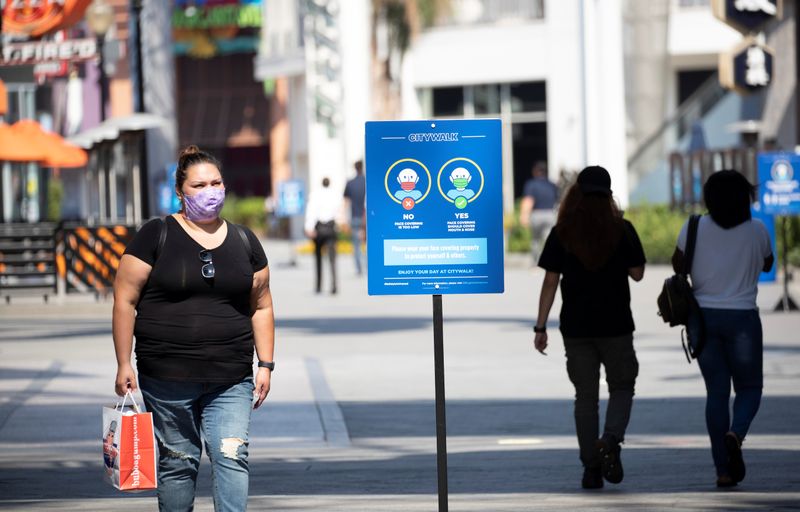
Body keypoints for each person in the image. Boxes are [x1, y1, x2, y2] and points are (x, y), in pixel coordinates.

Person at [112, 145, 275, 511]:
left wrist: (266, 363)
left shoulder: (245, 241)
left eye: (216, 183)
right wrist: (124, 362)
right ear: (180, 191)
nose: (210, 191)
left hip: (231, 377)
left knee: (232, 456)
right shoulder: (156, 235)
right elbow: (125, 300)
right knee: (178, 462)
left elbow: (261, 304)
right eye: (199, 185)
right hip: (166, 376)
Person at [532, 165, 646, 490]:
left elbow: (550, 281)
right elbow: (637, 273)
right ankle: (610, 439)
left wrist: (540, 326)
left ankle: (591, 469)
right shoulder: (622, 229)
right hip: (617, 326)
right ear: (609, 194)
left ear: (577, 195)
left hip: (577, 328)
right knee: (622, 387)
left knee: (585, 397)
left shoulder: (563, 232)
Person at [672, 170, 773, 488]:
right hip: (743, 318)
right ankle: (736, 433)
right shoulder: (757, 230)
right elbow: (768, 264)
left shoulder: (693, 227)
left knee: (716, 392)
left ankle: (723, 470)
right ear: (746, 198)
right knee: (750, 388)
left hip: (703, 319)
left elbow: (678, 265)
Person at [305, 176, 341, 294]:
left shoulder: (315, 195)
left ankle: (319, 285)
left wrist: (309, 227)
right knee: (332, 259)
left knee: (318, 258)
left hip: (319, 228)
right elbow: (338, 211)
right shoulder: (335, 195)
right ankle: (334, 284)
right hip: (331, 228)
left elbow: (311, 211)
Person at [520, 161, 559, 265]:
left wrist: (524, 216)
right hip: (550, 214)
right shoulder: (552, 185)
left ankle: (535, 263)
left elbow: (528, 201)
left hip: (536, 215)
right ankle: (550, 263)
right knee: (548, 240)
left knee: (535, 240)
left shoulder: (531, 184)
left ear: (535, 171)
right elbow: (557, 201)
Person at [343, 160, 366, 275]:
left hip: (355, 217)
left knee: (356, 245)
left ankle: (359, 268)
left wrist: (344, 218)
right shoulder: (367, 182)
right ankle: (368, 266)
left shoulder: (350, 183)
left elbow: (346, 202)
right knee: (368, 243)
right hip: (367, 219)